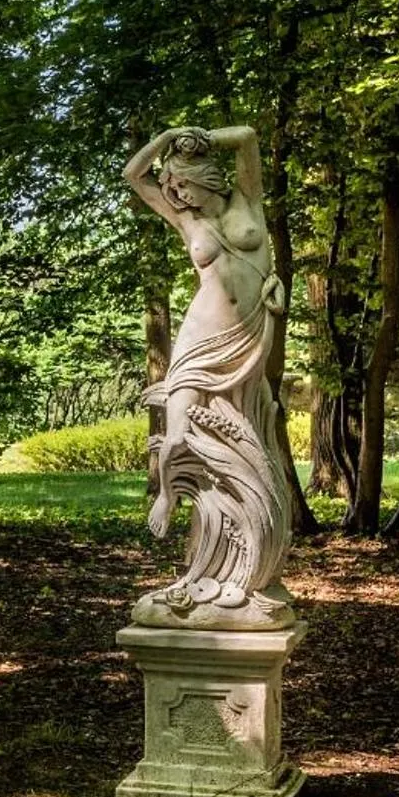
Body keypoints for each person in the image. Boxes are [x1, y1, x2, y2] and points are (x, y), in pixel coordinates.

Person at [122, 126, 294, 628]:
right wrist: (167, 137)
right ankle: (168, 497)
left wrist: (199, 137)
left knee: (253, 439)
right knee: (179, 431)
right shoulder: (183, 219)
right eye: (173, 189)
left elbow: (247, 136)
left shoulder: (248, 199)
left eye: (183, 186)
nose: (177, 195)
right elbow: (134, 175)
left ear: (206, 180)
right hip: (204, 337)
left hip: (248, 339)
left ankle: (246, 566)